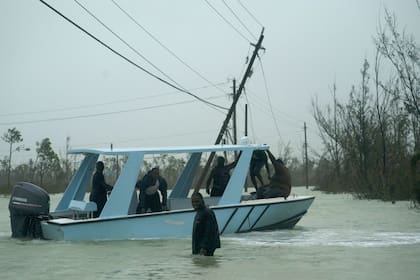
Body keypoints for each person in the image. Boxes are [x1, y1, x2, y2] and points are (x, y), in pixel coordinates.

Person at [191, 192, 221, 256]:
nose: (194, 204)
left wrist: (204, 247)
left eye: (197, 201)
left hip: (205, 248)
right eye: (193, 202)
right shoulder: (199, 213)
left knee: (206, 265)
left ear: (202, 200)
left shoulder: (207, 212)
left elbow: (209, 231)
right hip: (198, 247)